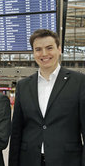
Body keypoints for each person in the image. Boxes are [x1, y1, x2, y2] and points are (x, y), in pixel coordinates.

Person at [9, 29, 85, 166]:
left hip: (67, 160)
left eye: (49, 48)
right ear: (33, 53)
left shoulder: (79, 82)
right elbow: (16, 133)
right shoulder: (23, 85)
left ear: (59, 49)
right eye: (38, 49)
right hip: (29, 160)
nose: (44, 54)